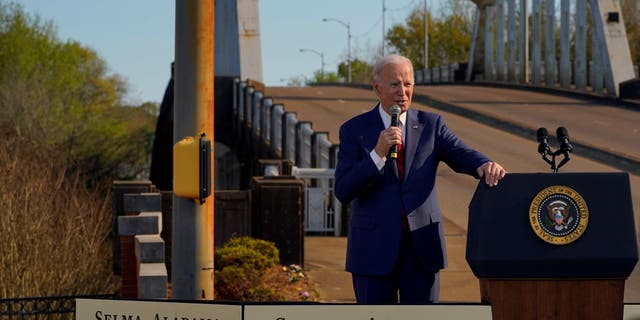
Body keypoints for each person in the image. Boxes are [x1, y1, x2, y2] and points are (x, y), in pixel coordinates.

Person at [334, 54, 505, 304]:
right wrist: (377, 154)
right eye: (394, 84)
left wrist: (484, 165)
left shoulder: (431, 125)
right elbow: (343, 190)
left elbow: (459, 152)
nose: (402, 92)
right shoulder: (353, 130)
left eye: (408, 84)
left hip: (421, 247)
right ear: (377, 88)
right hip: (372, 249)